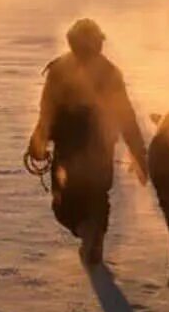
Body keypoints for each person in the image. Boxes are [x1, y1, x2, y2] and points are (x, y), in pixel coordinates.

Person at [25, 18, 148, 266]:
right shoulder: (110, 72)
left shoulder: (59, 69)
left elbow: (47, 111)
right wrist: (138, 152)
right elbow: (126, 116)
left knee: (64, 203)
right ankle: (94, 236)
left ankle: (85, 233)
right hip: (101, 149)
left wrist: (37, 144)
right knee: (97, 197)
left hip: (68, 151)